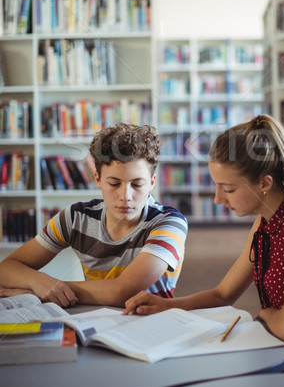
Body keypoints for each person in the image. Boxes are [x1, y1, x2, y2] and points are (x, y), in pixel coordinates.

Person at [124, 114, 284, 374]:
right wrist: (168, 304)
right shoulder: (264, 223)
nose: (218, 199)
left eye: (228, 189)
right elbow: (223, 294)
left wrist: (265, 315)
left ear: (264, 183)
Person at [0, 123, 187, 308]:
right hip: (94, 324)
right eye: (114, 183)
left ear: (152, 182)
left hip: (153, 329)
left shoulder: (170, 223)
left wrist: (46, 291)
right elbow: (6, 268)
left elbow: (122, 292)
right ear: (97, 179)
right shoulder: (75, 218)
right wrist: (38, 282)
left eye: (137, 184)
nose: (126, 196)